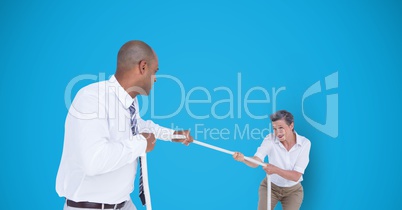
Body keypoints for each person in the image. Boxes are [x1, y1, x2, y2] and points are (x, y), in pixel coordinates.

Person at [56, 40, 193, 210]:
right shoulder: (92, 99)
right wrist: (141, 144)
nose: (156, 78)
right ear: (143, 67)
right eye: (154, 71)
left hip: (123, 204)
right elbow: (94, 162)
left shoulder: (130, 102)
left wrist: (172, 135)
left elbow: (139, 126)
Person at [233, 110, 311, 210]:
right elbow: (257, 161)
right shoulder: (270, 139)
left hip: (293, 191)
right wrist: (244, 159)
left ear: (291, 126)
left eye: (281, 128)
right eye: (274, 129)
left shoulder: (305, 143)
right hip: (270, 187)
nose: (277, 132)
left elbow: (296, 176)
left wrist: (275, 170)